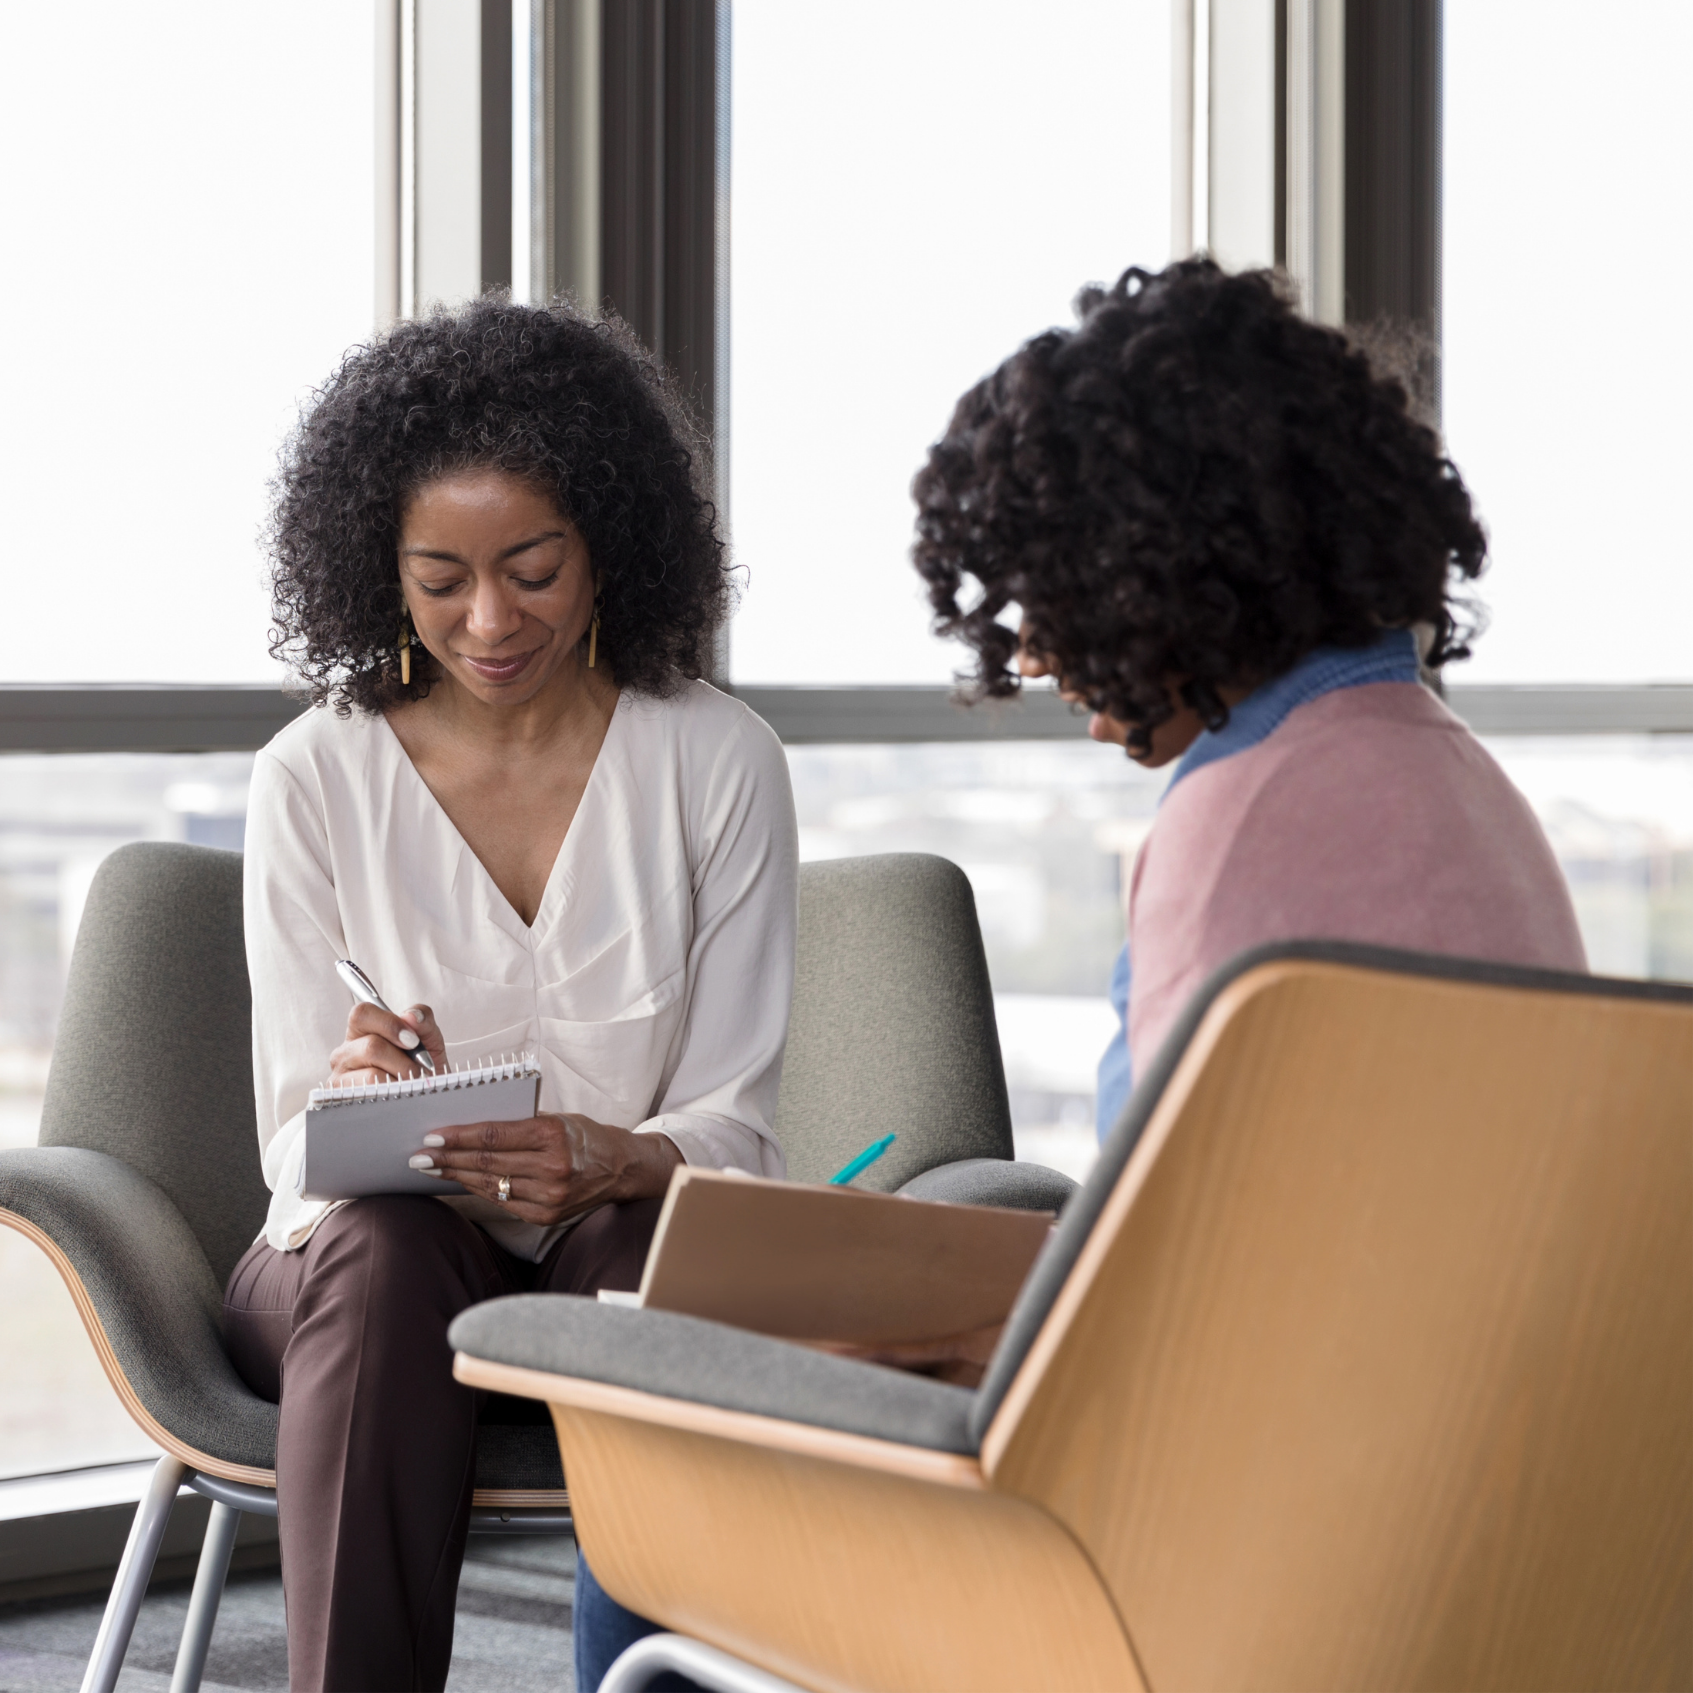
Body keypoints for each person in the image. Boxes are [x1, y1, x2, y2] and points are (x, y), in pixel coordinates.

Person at [225, 297, 797, 1693]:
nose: (489, 621)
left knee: (650, 1268)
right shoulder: (314, 775)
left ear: (610, 546)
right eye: (440, 577)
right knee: (383, 1243)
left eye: (534, 568)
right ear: (379, 568)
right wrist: (357, 1097)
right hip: (348, 1266)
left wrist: (623, 1156)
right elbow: (294, 1157)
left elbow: (737, 1123)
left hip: (605, 1236)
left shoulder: (717, 760)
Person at [912, 258, 1585, 1117]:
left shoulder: (1232, 821)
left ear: (1148, 569)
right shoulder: (1466, 784)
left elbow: (1159, 1228)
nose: (1031, 657)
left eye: (1044, 590)